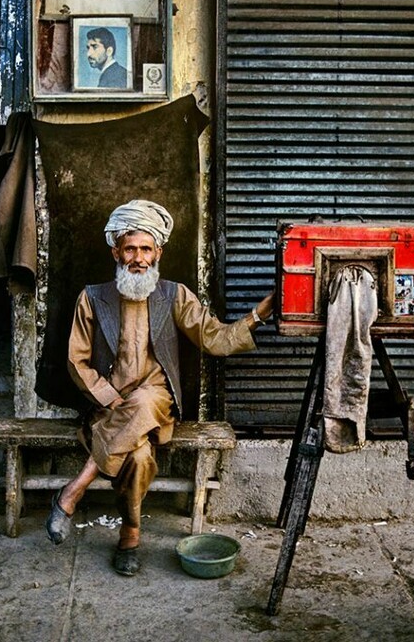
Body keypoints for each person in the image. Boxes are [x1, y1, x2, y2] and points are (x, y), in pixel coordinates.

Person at [45, 199, 275, 576]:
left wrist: (256, 316)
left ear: (158, 253)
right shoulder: (92, 298)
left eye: (146, 249)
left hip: (157, 410)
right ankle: (130, 537)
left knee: (147, 396)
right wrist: (110, 398)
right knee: (137, 458)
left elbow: (214, 338)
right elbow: (76, 361)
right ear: (116, 251)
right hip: (109, 412)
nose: (138, 258)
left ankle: (74, 489)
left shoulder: (174, 295)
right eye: (130, 249)